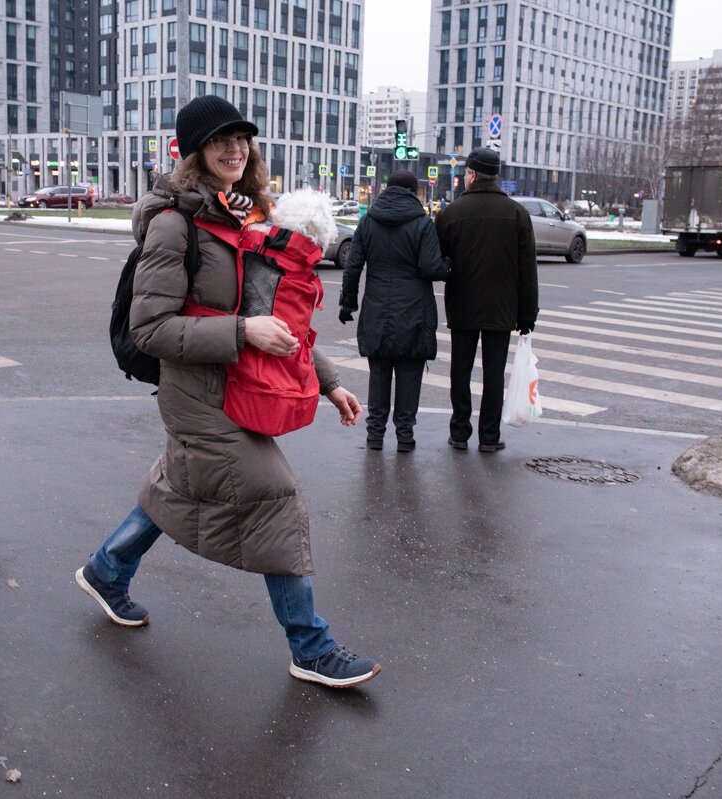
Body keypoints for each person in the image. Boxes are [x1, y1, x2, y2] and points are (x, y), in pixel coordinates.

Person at [74, 95, 380, 689]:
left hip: (241, 387)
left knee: (178, 488)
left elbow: (277, 318)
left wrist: (330, 383)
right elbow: (151, 328)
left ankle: (106, 570)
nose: (235, 149)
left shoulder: (248, 217)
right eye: (220, 141)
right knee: (275, 495)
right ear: (195, 152)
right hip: (196, 396)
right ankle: (310, 646)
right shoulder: (174, 225)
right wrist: (241, 331)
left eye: (242, 138)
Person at [434, 147, 538, 453]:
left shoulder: (451, 213)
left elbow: (437, 261)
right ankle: (489, 437)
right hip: (502, 309)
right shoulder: (517, 214)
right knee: (494, 374)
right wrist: (527, 315)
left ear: (472, 174)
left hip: (462, 305)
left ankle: (459, 433)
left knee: (460, 371)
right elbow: (527, 270)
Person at [339, 170, 449, 452]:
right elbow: (430, 267)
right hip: (414, 310)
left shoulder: (368, 222)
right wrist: (449, 266)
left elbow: (353, 267)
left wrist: (347, 304)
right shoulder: (423, 224)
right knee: (410, 372)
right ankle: (405, 437)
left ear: (387, 189)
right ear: (414, 192)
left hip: (377, 309)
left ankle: (375, 435)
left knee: (379, 372)